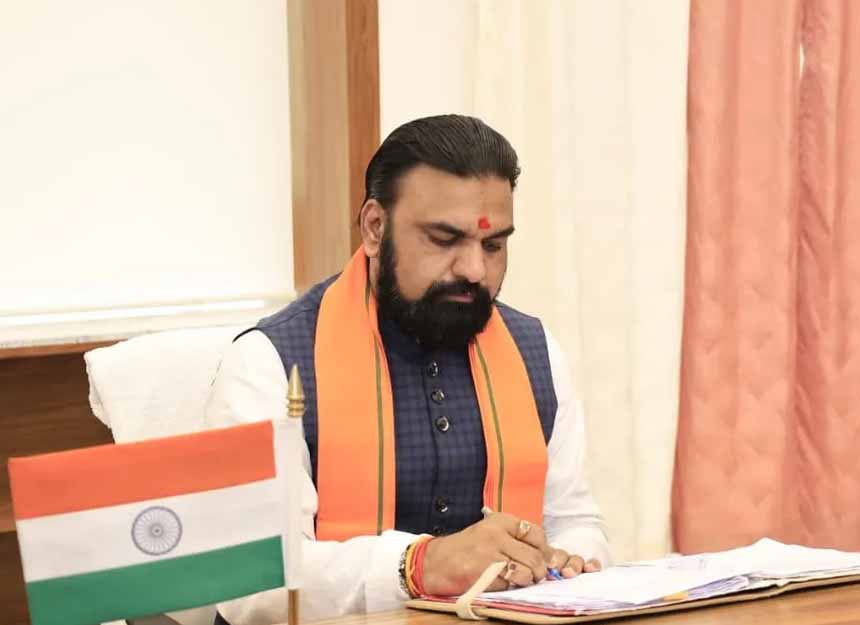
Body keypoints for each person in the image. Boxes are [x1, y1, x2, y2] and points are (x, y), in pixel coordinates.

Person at [206, 114, 610, 625]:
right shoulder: (269, 364)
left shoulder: (536, 351)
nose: (474, 270)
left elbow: (573, 520)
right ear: (375, 227)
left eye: (492, 245)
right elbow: (251, 585)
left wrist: (568, 561)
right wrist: (419, 566)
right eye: (444, 239)